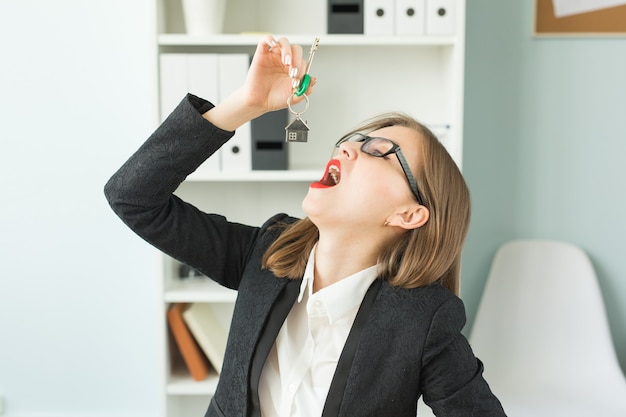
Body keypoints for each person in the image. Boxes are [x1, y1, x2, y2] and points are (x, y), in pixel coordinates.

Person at [105, 36, 506, 417]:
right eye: (354, 139)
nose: (346, 147)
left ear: (409, 215)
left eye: (381, 153)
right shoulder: (264, 253)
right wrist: (247, 104)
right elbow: (133, 196)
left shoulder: (423, 321)